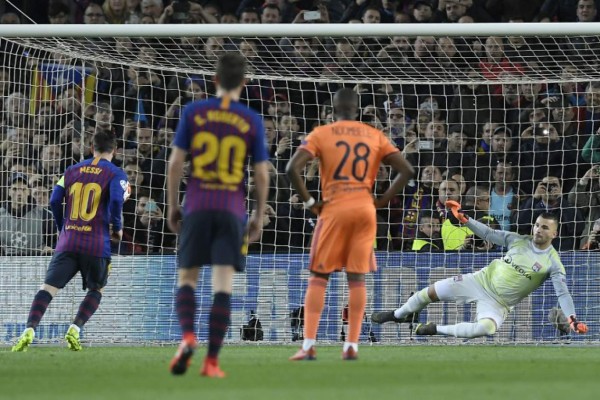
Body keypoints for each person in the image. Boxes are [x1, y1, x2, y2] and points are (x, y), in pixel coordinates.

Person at [286, 87, 414, 361]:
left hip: (334, 208)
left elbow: (291, 169)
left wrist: (310, 202)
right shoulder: (374, 135)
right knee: (356, 278)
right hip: (364, 209)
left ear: (333, 111)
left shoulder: (321, 133)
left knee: (319, 276)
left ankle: (308, 345)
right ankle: (352, 345)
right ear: (357, 111)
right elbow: (406, 170)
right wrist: (380, 201)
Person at [166, 53, 269, 378]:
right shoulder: (251, 118)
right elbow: (263, 173)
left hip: (196, 206)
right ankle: (211, 361)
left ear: (214, 80)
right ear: (244, 83)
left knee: (187, 279)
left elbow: (174, 164)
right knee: (222, 286)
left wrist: (173, 206)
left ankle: (186, 337)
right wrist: (256, 214)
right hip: (231, 211)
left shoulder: (194, 111)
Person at [371, 200, 589, 339]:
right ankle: (399, 314)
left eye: (544, 227)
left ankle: (433, 329)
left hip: (499, 303)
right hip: (480, 280)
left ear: (554, 234)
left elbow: (563, 292)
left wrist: (572, 318)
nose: (538, 230)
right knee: (430, 293)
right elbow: (489, 234)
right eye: (537, 225)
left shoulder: (553, 263)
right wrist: (465, 220)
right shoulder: (518, 240)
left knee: (485, 329)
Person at [11, 131, 128, 352]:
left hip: (68, 240)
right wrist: (118, 228)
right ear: (116, 149)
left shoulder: (71, 170)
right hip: (96, 243)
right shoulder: (117, 174)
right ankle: (75, 328)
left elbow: (55, 199)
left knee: (48, 288)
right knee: (97, 289)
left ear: (91, 148)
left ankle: (29, 329)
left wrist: (61, 227)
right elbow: (115, 199)